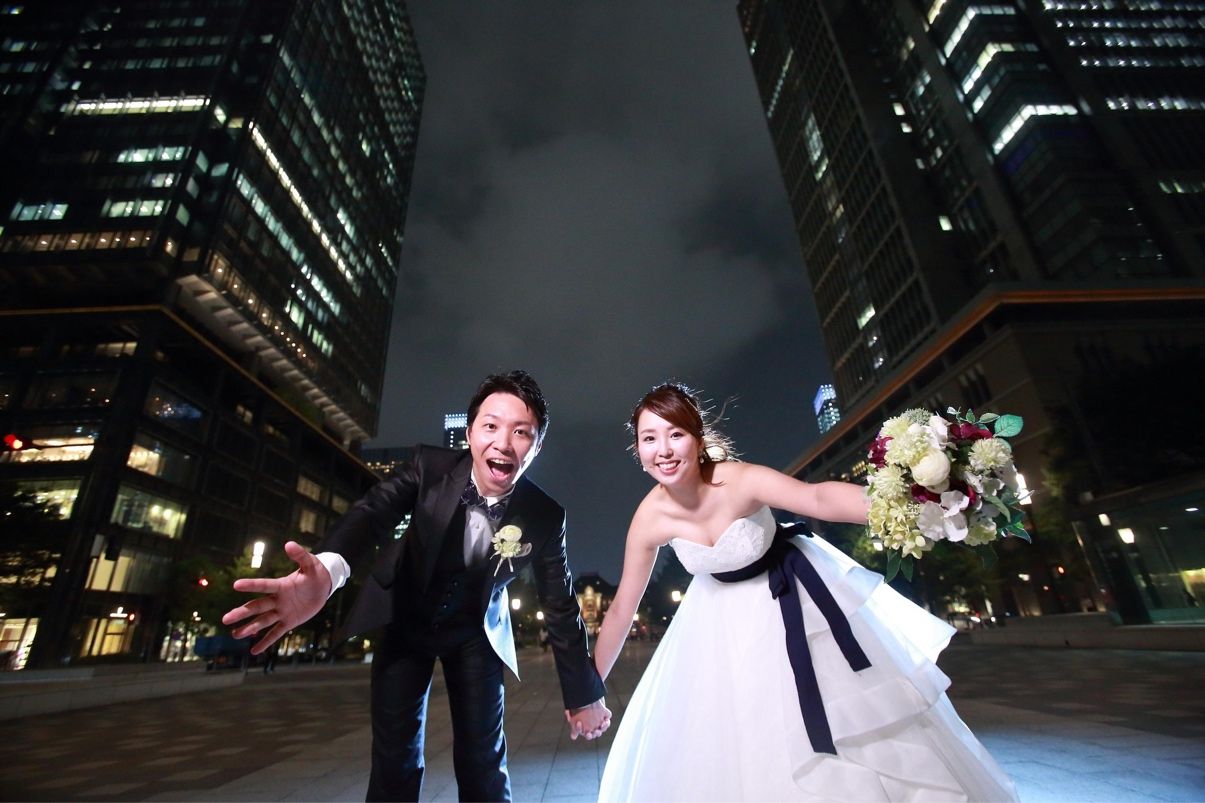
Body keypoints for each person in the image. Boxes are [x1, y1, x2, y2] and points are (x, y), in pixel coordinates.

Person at [594, 382, 1018, 802]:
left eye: (676, 434)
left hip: (795, 599)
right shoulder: (649, 518)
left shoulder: (738, 480)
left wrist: (903, 506)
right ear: (638, 450)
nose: (663, 450)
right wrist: (589, 691)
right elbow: (621, 610)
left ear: (698, 439)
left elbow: (816, 498)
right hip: (719, 627)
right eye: (649, 438)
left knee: (852, 727)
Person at [222, 371, 609, 802]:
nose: (503, 442)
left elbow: (560, 605)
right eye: (491, 426)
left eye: (521, 433)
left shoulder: (545, 515)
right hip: (406, 616)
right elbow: (373, 511)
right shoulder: (430, 466)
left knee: (483, 759)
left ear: (536, 448)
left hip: (475, 632)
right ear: (470, 434)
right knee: (396, 757)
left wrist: (584, 694)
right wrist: (329, 572)